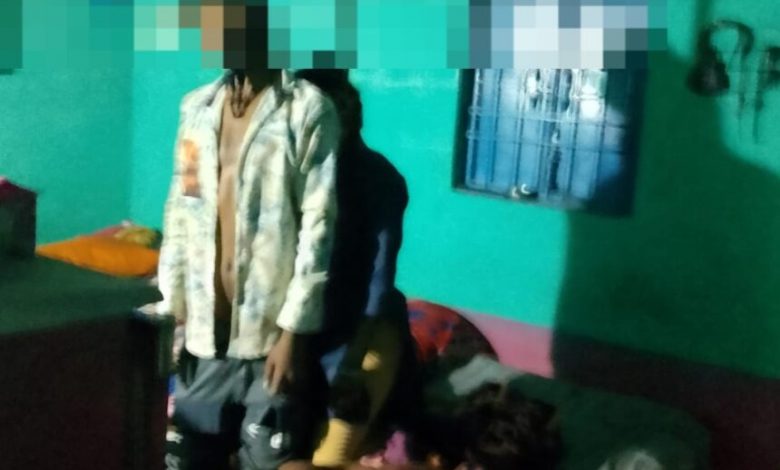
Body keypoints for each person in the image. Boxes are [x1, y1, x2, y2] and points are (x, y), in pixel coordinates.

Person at [156, 4, 341, 469]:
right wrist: (172, 312)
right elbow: (182, 210)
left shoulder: (307, 110)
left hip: (268, 337)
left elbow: (319, 225)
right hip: (204, 334)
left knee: (266, 459)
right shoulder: (196, 109)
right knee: (192, 457)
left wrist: (292, 334)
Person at [290, 69, 418, 468]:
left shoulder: (378, 179)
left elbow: (379, 279)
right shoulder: (300, 172)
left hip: (364, 331)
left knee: (328, 456)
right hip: (309, 327)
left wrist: (351, 369)